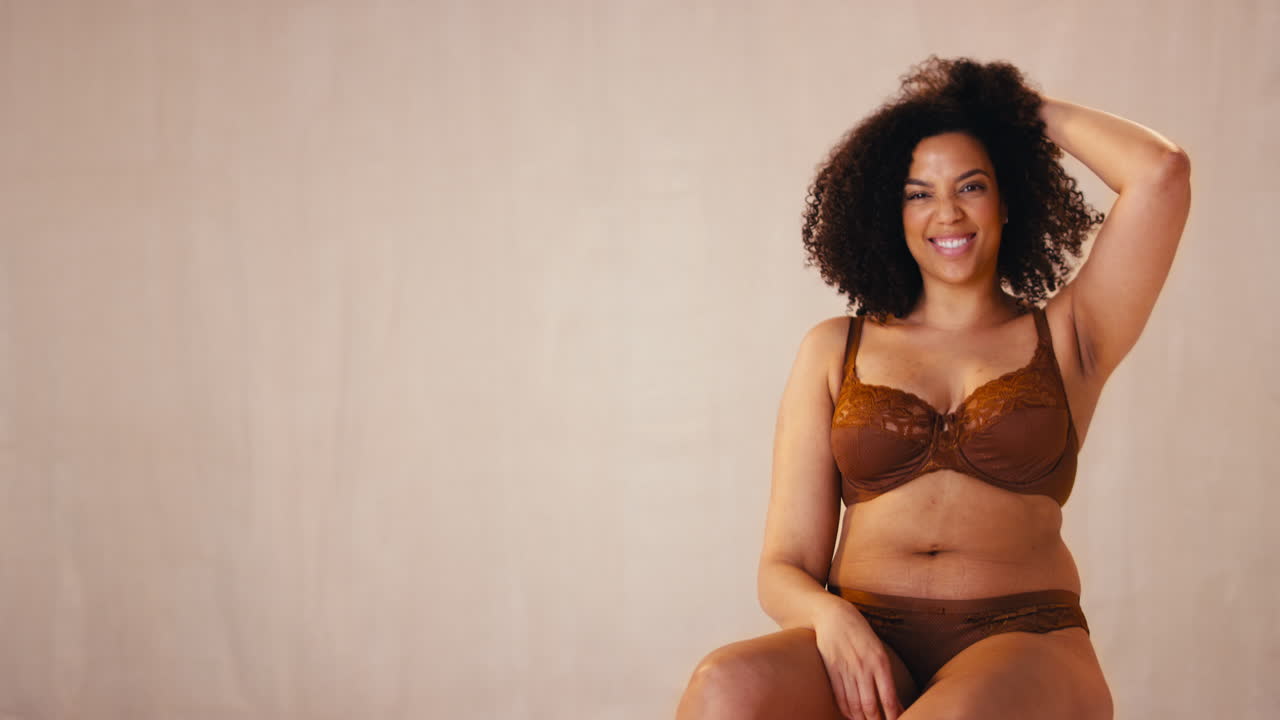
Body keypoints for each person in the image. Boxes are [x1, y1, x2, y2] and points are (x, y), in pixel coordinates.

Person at [675, 56, 1191, 720]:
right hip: (867, 638)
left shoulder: (1069, 337)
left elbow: (1160, 175)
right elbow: (783, 564)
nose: (946, 211)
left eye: (971, 185)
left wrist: (1005, 111)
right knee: (722, 687)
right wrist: (831, 621)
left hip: (1021, 638)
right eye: (918, 192)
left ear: (1009, 198)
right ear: (889, 213)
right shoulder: (836, 348)